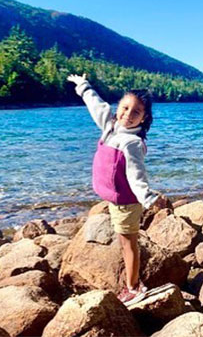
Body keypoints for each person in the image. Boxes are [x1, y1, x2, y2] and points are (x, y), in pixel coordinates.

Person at [67, 73, 168, 306]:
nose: (127, 115)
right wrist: (83, 86)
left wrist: (148, 198)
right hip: (116, 199)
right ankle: (133, 282)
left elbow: (136, 174)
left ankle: (134, 288)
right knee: (125, 240)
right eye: (124, 108)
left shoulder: (131, 143)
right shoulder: (111, 126)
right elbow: (96, 105)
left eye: (136, 112)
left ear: (144, 118)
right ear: (118, 107)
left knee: (128, 243)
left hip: (126, 202)